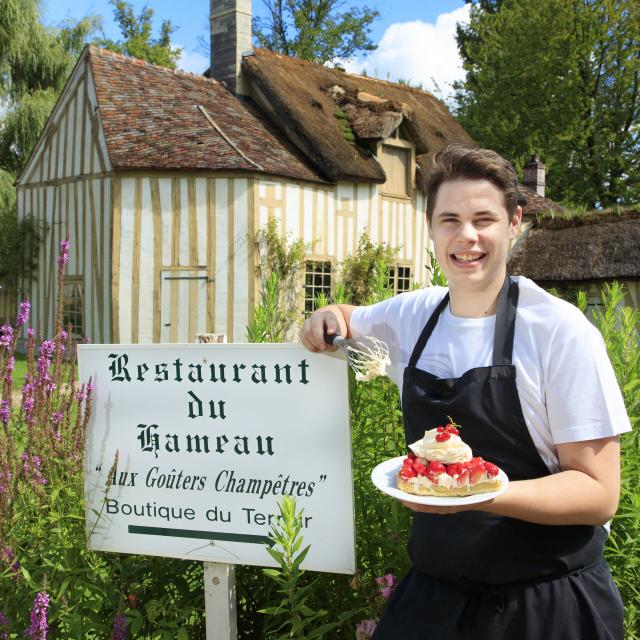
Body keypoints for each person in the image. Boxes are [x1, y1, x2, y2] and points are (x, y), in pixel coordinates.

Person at [299, 145, 631, 639]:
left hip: (547, 603)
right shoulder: (414, 316)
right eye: (450, 219)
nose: (466, 236)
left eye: (484, 219)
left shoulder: (559, 331)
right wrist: (325, 317)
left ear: (515, 222)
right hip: (435, 600)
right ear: (430, 227)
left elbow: (598, 493)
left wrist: (473, 496)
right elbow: (348, 319)